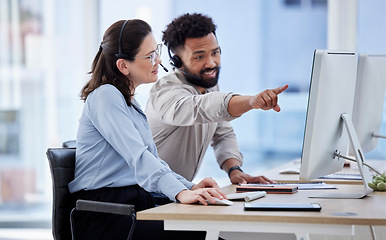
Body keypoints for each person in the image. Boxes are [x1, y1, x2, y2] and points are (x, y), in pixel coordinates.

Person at [68, 19, 226, 240]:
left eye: (157, 52)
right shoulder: (106, 96)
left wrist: (190, 187)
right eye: (150, 56)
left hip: (132, 205)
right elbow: (139, 158)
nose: (159, 61)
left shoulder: (130, 103)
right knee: (204, 233)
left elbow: (154, 160)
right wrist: (181, 193)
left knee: (211, 228)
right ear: (124, 66)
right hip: (105, 214)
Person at [145, 13, 288, 184]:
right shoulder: (165, 92)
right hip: (147, 197)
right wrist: (250, 102)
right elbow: (201, 108)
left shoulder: (208, 85)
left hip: (177, 193)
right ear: (177, 61)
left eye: (215, 52)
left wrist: (234, 170)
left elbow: (222, 134)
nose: (211, 63)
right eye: (199, 56)